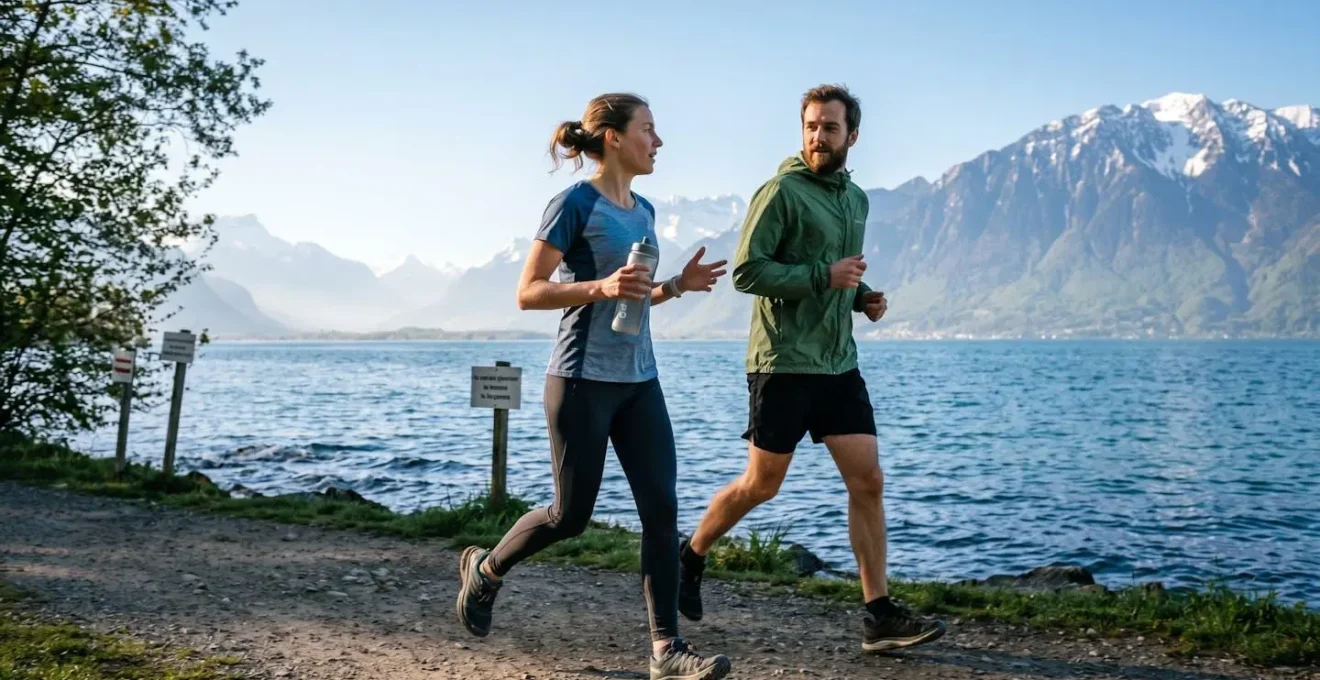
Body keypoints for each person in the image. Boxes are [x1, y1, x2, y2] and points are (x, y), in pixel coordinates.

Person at [454, 92, 733, 680]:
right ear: (612, 137)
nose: (658, 143)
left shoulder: (646, 210)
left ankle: (666, 651)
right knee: (570, 515)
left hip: (639, 381)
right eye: (649, 131)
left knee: (661, 510)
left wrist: (674, 286)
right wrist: (600, 287)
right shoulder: (574, 202)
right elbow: (529, 291)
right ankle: (486, 568)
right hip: (581, 380)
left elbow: (637, 294)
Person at [676, 84, 948, 653]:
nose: (818, 137)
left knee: (868, 481)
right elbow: (749, 272)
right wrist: (827, 277)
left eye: (829, 127)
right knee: (762, 485)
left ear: (852, 134)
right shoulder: (780, 192)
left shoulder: (857, 200)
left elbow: (835, 276)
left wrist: (861, 297)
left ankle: (877, 614)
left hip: (838, 362)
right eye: (810, 127)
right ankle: (691, 553)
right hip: (782, 363)